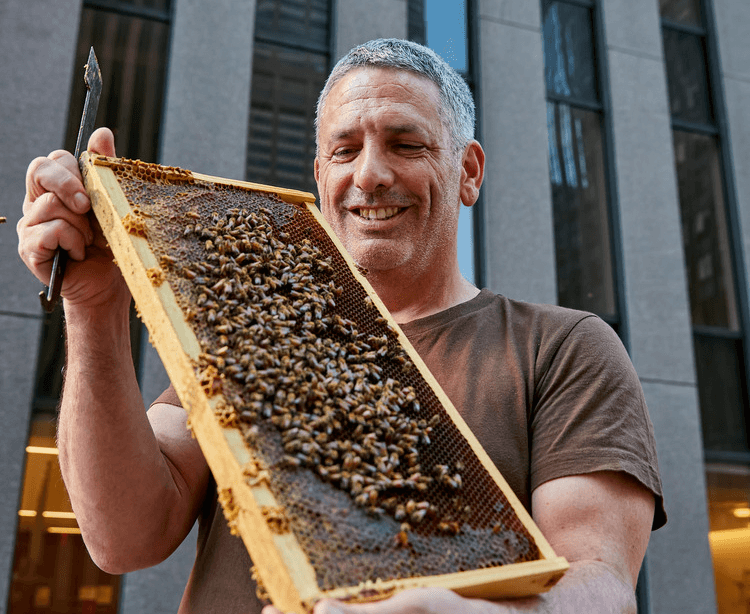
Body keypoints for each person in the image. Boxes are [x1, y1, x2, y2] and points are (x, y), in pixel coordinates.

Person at [17, 39, 665, 614]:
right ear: (320, 177)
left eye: (405, 144)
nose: (370, 174)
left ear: (468, 171)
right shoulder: (247, 332)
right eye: (344, 150)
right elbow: (122, 536)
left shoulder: (560, 349)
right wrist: (94, 305)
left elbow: (601, 584)